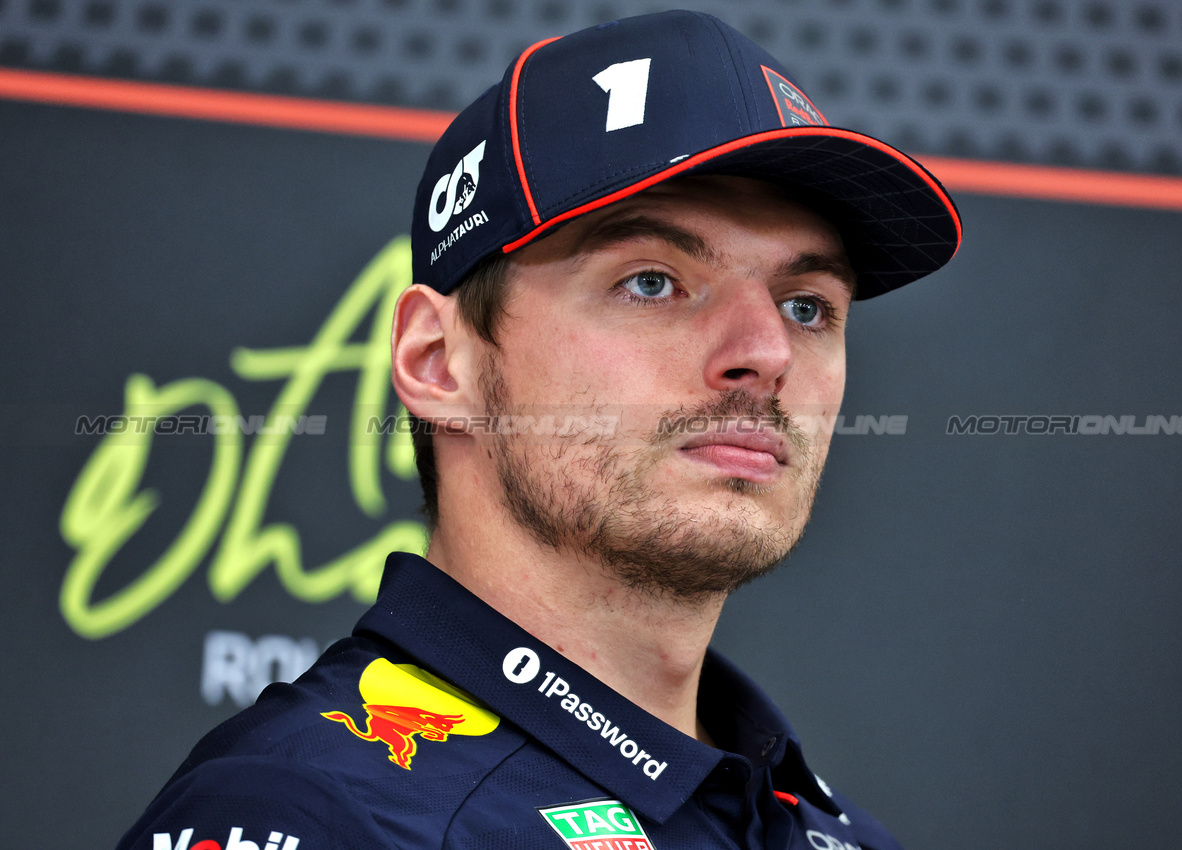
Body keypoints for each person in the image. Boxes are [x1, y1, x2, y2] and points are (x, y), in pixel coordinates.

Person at [117, 10, 959, 850]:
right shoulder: (315, 814)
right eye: (653, 282)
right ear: (439, 361)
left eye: (806, 305)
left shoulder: (828, 832)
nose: (766, 353)